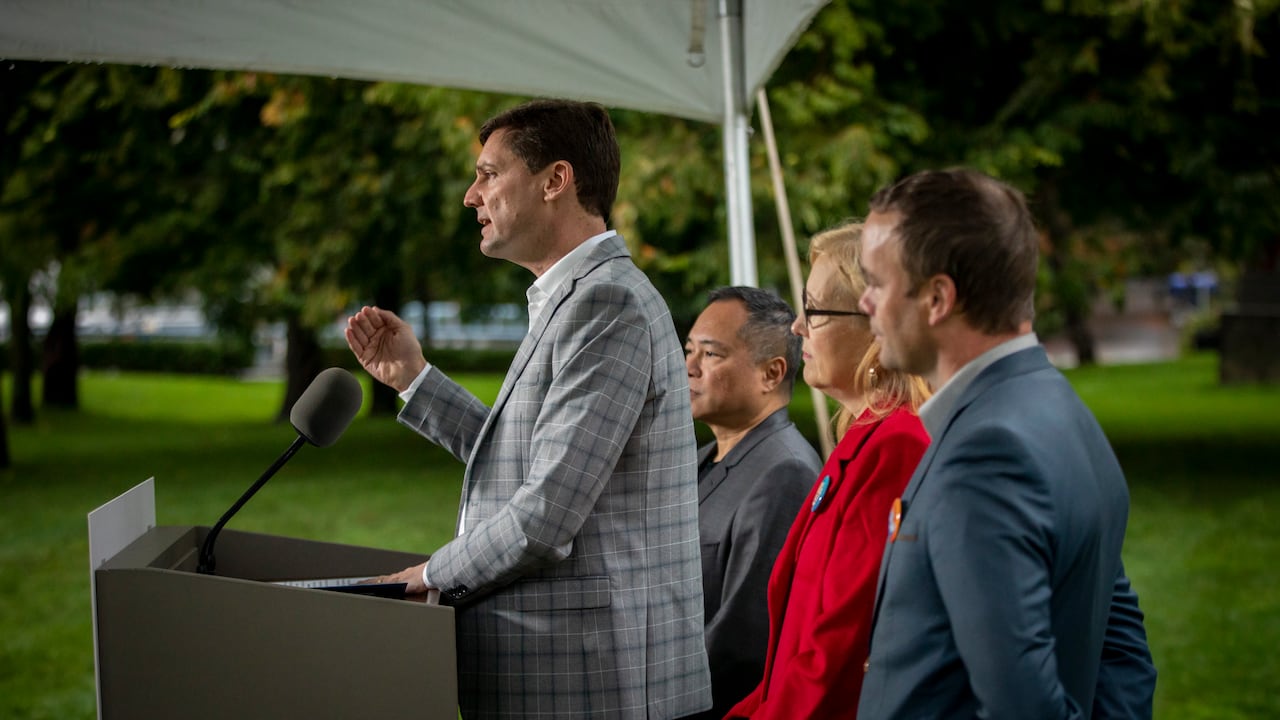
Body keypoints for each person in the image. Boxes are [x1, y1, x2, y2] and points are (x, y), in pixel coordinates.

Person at [344, 99, 711, 720]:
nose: (471, 196)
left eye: (488, 174)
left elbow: (544, 515)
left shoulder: (606, 304)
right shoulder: (578, 296)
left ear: (554, 181)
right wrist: (413, 379)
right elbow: (526, 457)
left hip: (592, 685)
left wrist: (428, 576)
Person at [855, 168, 1157, 719]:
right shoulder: (1060, 409)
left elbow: (1026, 707)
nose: (864, 302)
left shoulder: (987, 455)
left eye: (876, 282)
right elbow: (1123, 658)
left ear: (938, 298)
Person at [726, 222, 931, 719]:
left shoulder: (897, 445)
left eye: (814, 310)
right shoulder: (864, 438)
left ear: (875, 324)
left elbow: (841, 645)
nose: (797, 327)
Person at [682, 286, 822, 720]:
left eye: (711, 354)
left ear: (771, 373)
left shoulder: (784, 472)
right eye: (689, 351)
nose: (689, 367)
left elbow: (742, 644)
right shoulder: (704, 458)